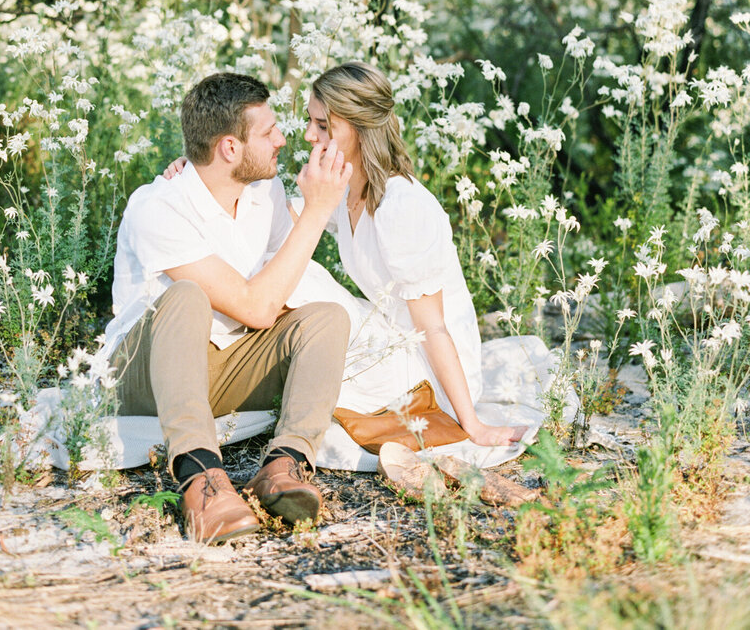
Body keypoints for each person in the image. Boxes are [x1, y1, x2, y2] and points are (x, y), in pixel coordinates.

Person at [166, 62, 528, 458]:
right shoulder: (350, 186)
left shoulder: (401, 207)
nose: (308, 135)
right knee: (286, 266)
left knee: (305, 279)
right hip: (388, 337)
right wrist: (202, 172)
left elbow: (435, 328)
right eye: (310, 121)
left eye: (323, 126)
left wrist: (472, 424)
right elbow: (280, 224)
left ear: (357, 129)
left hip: (428, 367)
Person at [103, 72, 353, 545]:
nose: (283, 139)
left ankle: (283, 467)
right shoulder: (157, 206)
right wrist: (317, 211)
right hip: (143, 372)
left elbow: (284, 284)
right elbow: (260, 307)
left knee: (326, 317)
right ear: (230, 148)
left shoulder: (265, 193)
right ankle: (202, 480)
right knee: (186, 296)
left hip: (220, 367)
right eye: (268, 132)